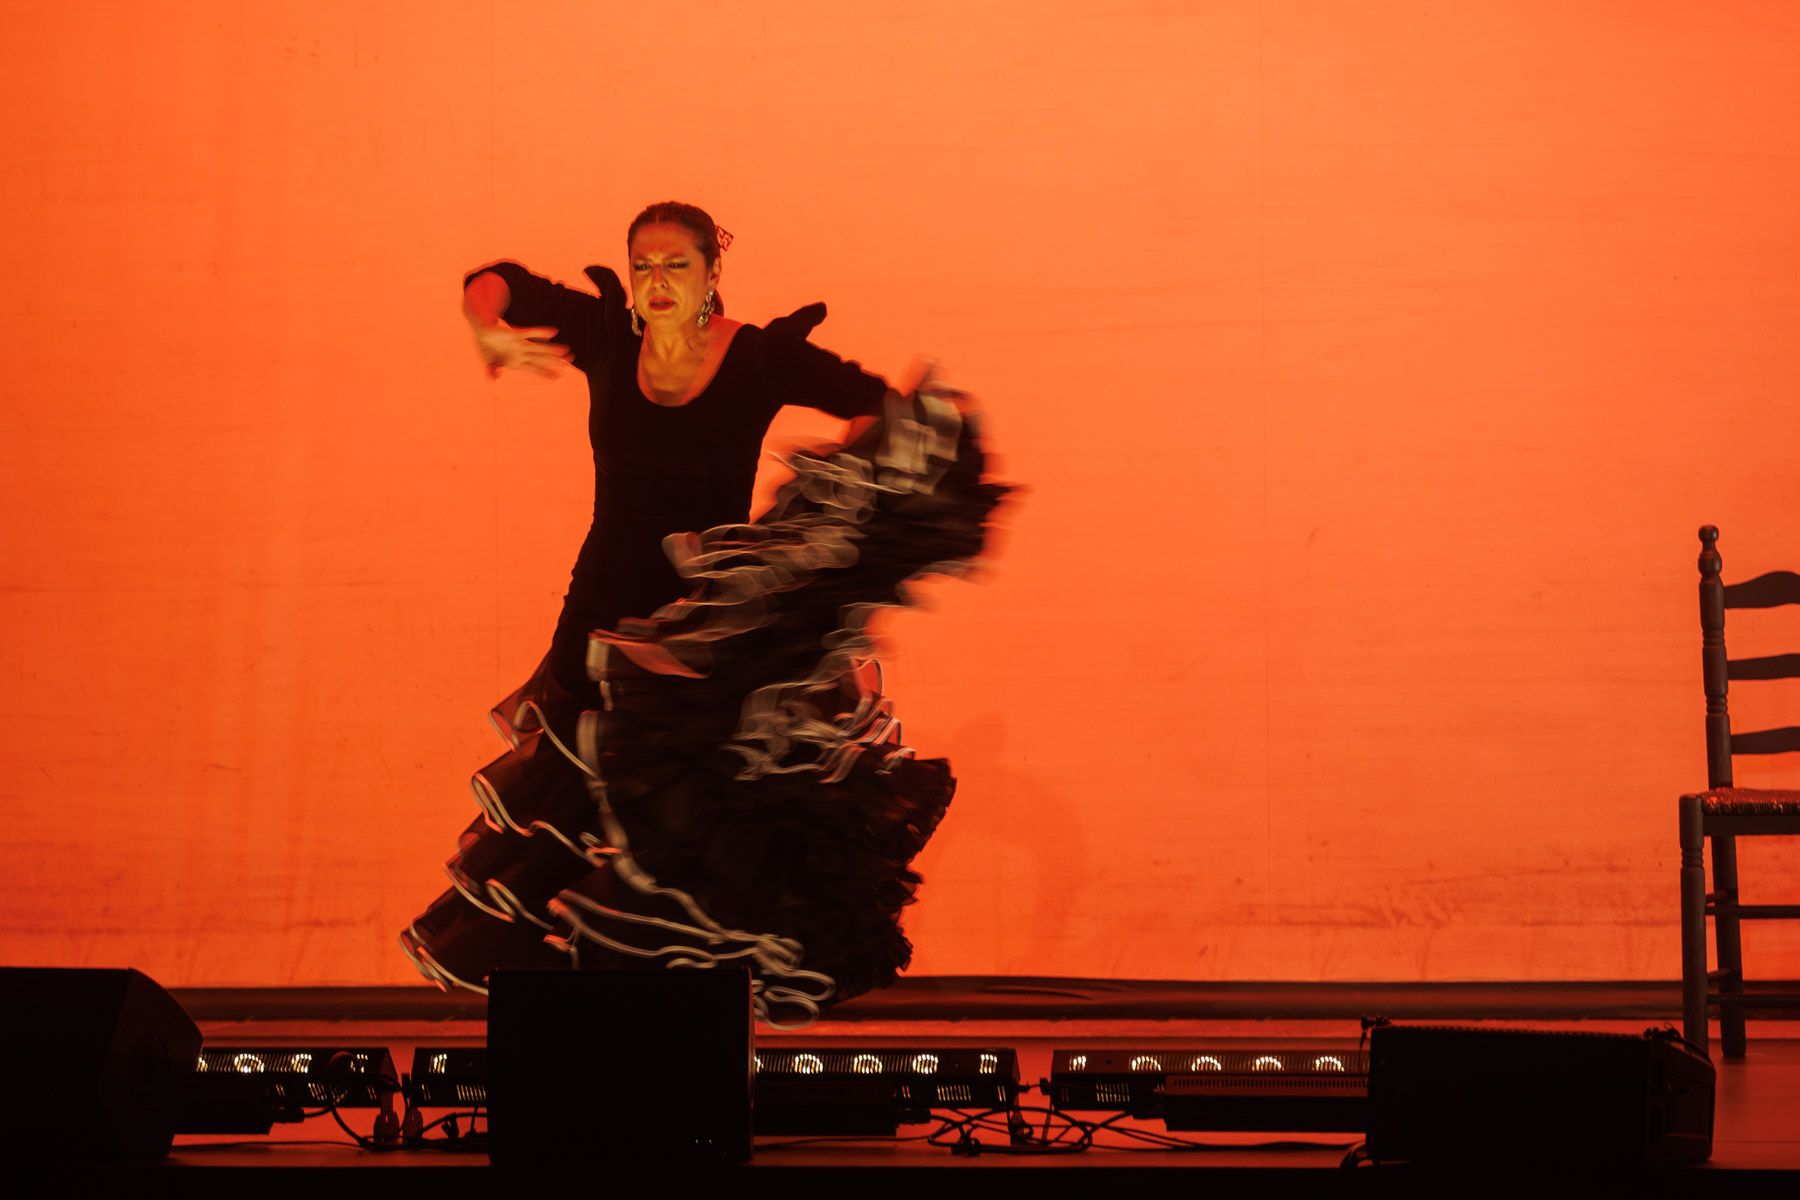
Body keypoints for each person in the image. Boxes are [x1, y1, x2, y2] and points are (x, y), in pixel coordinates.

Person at [400, 202, 1006, 1025]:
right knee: (586, 811)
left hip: (702, 632)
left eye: (675, 265)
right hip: (604, 615)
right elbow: (495, 282)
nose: (656, 282)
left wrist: (817, 526)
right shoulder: (608, 339)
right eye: (642, 265)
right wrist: (486, 326)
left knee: (695, 820)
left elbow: (875, 408)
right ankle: (598, 1022)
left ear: (710, 276)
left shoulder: (757, 358)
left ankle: (687, 1024)